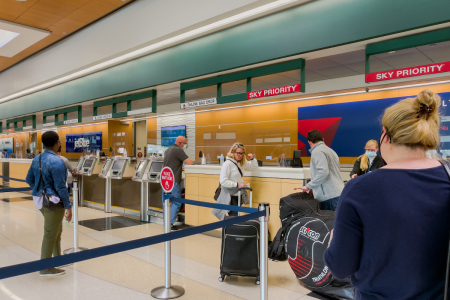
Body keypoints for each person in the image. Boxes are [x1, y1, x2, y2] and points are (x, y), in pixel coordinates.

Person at [324, 89, 450, 299]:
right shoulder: (446, 177)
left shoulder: (360, 189)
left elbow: (340, 267)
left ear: (385, 134)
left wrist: (332, 241)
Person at [25, 131, 72, 277]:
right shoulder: (58, 162)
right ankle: (45, 268)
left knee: (56, 229)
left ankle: (57, 259)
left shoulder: (37, 158)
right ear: (57, 142)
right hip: (55, 202)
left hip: (41, 200)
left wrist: (40, 190)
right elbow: (60, 187)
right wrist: (69, 206)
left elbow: (29, 179)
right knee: (51, 233)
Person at [295, 130, 344, 211]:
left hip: (328, 197)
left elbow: (323, 172)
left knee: (329, 222)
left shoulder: (317, 151)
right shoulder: (331, 151)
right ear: (323, 139)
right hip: (338, 193)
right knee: (336, 222)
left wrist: (308, 186)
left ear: (309, 142)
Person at [215, 143, 258, 218]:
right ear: (232, 152)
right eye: (238, 153)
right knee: (233, 217)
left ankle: (231, 229)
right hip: (230, 195)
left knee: (235, 217)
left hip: (238, 194)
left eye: (242, 153)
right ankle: (228, 229)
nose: (240, 155)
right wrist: (237, 184)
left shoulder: (241, 163)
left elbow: (254, 166)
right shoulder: (227, 164)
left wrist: (252, 158)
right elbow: (223, 181)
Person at [162, 136, 194, 230]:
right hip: (174, 181)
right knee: (177, 202)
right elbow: (190, 163)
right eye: (185, 144)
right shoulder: (178, 150)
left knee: (166, 202)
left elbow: (171, 163)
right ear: (180, 143)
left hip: (166, 181)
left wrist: (180, 168)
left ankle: (166, 223)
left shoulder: (168, 149)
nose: (185, 146)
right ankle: (170, 223)